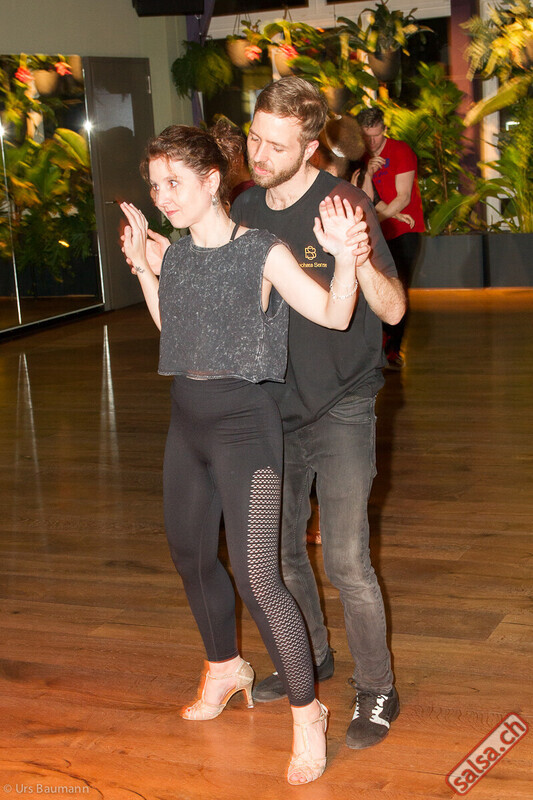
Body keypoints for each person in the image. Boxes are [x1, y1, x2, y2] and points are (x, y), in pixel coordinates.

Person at [119, 121, 372, 785]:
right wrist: (144, 267)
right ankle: (225, 667)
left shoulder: (261, 250)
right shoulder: (177, 255)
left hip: (245, 428)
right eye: (155, 185)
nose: (162, 196)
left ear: (211, 181)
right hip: (187, 421)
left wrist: (345, 261)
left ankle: (307, 714)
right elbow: (173, 331)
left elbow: (334, 314)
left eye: (174, 182)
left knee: (261, 577)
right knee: (190, 555)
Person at [230, 76, 406, 751]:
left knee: (346, 559)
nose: (259, 154)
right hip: (272, 405)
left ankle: (377, 686)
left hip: (342, 403)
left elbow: (392, 308)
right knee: (279, 553)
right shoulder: (245, 205)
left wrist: (355, 257)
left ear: (309, 147)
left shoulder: (343, 204)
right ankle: (310, 656)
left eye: (276, 145)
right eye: (254, 138)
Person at [356, 106, 425, 370]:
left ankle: (394, 349)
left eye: (377, 135)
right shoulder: (360, 156)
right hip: (378, 231)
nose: (373, 142)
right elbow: (366, 198)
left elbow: (403, 197)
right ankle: (377, 347)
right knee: (372, 288)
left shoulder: (400, 151)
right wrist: (368, 174)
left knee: (399, 288)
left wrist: (381, 217)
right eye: (367, 136)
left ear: (384, 129)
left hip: (404, 231)